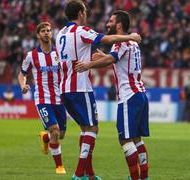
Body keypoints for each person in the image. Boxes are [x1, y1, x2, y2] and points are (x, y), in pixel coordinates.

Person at [55, 1, 141, 179]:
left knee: (85, 129)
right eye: (84, 11)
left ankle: (90, 174)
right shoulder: (81, 31)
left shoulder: (60, 34)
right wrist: (130, 36)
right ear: (80, 13)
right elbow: (107, 39)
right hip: (80, 87)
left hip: (64, 88)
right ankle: (79, 175)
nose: (85, 14)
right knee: (92, 129)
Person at [75, 10, 149, 180]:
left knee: (124, 139)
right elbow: (118, 61)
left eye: (111, 21)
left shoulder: (119, 43)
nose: (107, 24)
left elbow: (112, 59)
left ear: (119, 25)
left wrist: (89, 64)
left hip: (128, 96)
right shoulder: (133, 44)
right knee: (137, 139)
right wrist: (104, 56)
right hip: (140, 94)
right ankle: (144, 177)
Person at [18, 22, 67, 174]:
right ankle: (59, 166)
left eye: (49, 30)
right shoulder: (31, 56)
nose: (47, 33)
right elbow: (22, 74)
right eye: (43, 31)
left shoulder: (59, 53)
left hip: (59, 98)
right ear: (38, 35)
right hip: (42, 98)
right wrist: (23, 85)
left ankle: (45, 137)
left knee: (61, 134)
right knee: (55, 131)